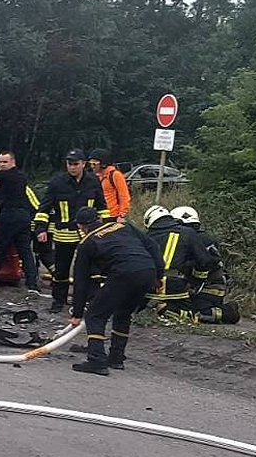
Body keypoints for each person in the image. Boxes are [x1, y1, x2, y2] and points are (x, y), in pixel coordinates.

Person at [67, 207, 164, 375]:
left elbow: (80, 282)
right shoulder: (124, 226)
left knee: (95, 315)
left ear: (81, 227)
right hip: (147, 270)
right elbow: (152, 245)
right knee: (123, 313)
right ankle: (116, 358)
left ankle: (96, 360)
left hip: (124, 273)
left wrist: (77, 313)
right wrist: (158, 275)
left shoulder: (87, 243)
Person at [34, 149, 109, 313]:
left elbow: (102, 207)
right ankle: (58, 300)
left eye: (76, 164)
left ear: (83, 164)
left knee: (91, 269)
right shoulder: (57, 182)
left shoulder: (93, 182)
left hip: (88, 234)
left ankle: (89, 300)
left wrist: (107, 228)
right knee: (61, 269)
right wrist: (41, 228)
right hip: (64, 233)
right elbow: (44, 207)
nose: (72, 167)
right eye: (69, 164)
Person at [0, 151, 41, 293]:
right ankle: (32, 284)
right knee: (25, 250)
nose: (1, 165)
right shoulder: (20, 176)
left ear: (13, 162)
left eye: (5, 162)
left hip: (10, 215)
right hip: (24, 216)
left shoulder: (8, 175)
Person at [142, 205, 214, 321]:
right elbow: (204, 261)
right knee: (192, 316)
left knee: (139, 308)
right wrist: (196, 281)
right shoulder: (188, 233)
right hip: (176, 286)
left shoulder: (146, 237)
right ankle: (167, 310)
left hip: (150, 285)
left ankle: (151, 308)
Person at [171, 206, 238, 324]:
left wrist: (193, 283)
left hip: (209, 288)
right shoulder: (196, 237)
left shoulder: (199, 240)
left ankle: (229, 312)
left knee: (195, 314)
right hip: (200, 286)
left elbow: (205, 265)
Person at [88, 148, 131, 222]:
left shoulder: (115, 175)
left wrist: (122, 215)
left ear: (103, 164)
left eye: (94, 164)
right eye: (90, 164)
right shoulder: (96, 177)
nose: (92, 166)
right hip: (99, 216)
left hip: (114, 216)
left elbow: (124, 196)